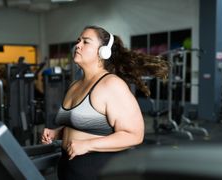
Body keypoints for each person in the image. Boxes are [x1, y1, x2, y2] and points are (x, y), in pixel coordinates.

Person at [41, 25, 169, 180]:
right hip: (68, 169)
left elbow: (135, 135)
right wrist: (57, 132)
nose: (78, 45)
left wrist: (88, 145)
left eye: (86, 42)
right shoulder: (75, 85)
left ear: (103, 52)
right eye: (78, 41)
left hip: (96, 170)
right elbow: (84, 124)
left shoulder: (111, 85)